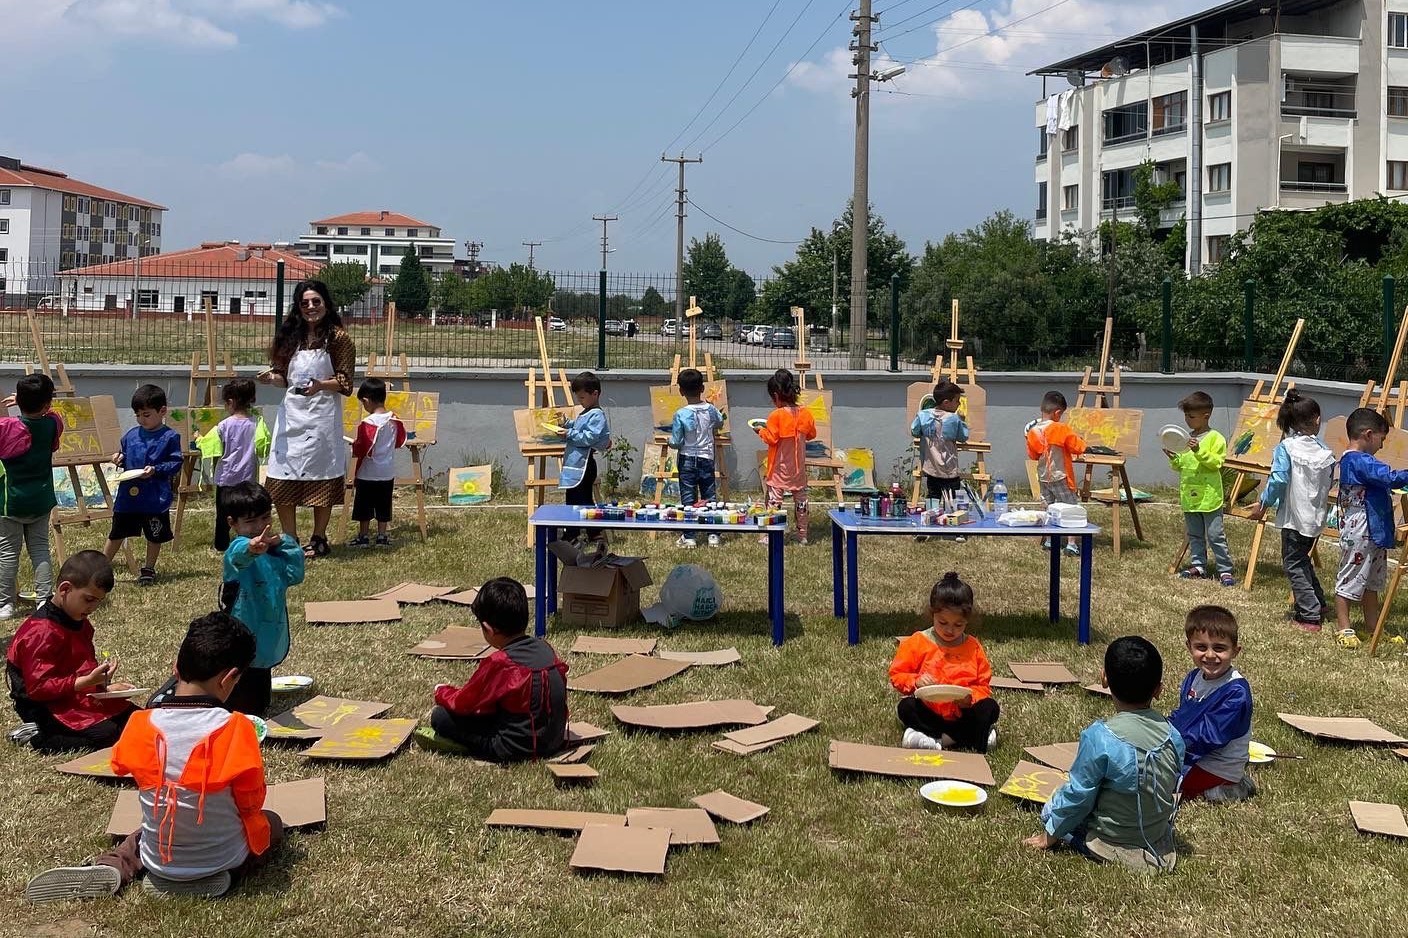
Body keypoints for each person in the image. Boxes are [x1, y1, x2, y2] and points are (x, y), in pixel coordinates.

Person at [25, 612, 284, 902]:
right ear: (229, 679)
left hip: (160, 859)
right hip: (220, 859)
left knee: (141, 834)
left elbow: (124, 766)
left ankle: (113, 865)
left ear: (175, 669)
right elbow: (250, 803)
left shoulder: (139, 724)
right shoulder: (238, 729)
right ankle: (223, 874)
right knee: (271, 822)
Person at [1023, 635, 1185, 873]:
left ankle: (1084, 841)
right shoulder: (1174, 736)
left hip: (1112, 840)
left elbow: (1079, 795)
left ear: (1104, 679)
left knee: (1052, 806)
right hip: (1158, 837)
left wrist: (1050, 834)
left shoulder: (1100, 737)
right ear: (1159, 690)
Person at [417, 577, 568, 762]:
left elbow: (465, 703)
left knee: (441, 717)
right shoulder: (545, 648)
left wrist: (441, 691)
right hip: (554, 740)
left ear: (489, 629)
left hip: (514, 748)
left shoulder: (501, 663)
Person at [258, 279, 355, 560]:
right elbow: (284, 378)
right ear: (298, 308)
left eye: (316, 302)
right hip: (292, 417)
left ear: (325, 303)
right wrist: (271, 378)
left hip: (322, 418)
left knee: (321, 475)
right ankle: (290, 538)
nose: (311, 307)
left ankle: (319, 537)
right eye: (305, 303)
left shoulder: (338, 339)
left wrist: (320, 386)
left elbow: (346, 383)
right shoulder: (290, 338)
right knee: (282, 473)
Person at [5, 551, 135, 753]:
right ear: (65, 589)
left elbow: (80, 667)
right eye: (89, 599)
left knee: (137, 719)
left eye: (98, 601)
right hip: (44, 706)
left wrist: (102, 683)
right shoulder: (41, 633)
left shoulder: (79, 622)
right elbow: (38, 688)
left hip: (73, 696)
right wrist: (85, 682)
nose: (93, 607)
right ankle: (37, 735)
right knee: (108, 735)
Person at [1247, 391, 1335, 631]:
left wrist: (1263, 503)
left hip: (1295, 519)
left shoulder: (1287, 447)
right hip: (1316, 518)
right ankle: (1319, 602)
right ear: (1316, 419)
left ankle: (1309, 614)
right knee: (1302, 559)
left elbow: (1278, 480)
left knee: (1294, 563)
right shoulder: (1324, 450)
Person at [218, 481, 305, 716]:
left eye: (265, 518)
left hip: (269, 627)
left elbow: (295, 575)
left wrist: (285, 544)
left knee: (261, 683)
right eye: (250, 522)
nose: (259, 527)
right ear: (232, 523)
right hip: (242, 627)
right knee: (241, 689)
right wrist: (250, 548)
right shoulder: (237, 548)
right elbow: (237, 557)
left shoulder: (275, 553)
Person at [889, 572, 999, 753]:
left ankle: (937, 740)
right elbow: (897, 675)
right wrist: (916, 681)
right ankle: (972, 736)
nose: (950, 630)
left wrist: (971, 698)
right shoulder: (917, 642)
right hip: (930, 710)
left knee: (990, 708)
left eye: (958, 625)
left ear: (967, 621)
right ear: (932, 614)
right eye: (943, 623)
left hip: (962, 712)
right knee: (906, 707)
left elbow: (983, 685)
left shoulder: (973, 646)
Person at [1168, 605, 1256, 803]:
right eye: (1201, 647)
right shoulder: (1194, 677)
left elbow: (1208, 736)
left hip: (1218, 765)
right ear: (1189, 647)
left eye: (1219, 648)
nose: (1209, 655)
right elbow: (1183, 715)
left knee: (1164, 784)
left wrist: (1167, 744)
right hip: (1193, 755)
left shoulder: (1236, 692)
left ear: (1235, 651)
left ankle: (1232, 789)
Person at [1334, 407, 1408, 640]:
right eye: (1381, 439)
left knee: (1371, 581)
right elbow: (1388, 477)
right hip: (1361, 528)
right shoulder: (1358, 460)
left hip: (1372, 530)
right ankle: (1344, 628)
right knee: (1351, 576)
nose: (1382, 446)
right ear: (1368, 434)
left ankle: (1373, 628)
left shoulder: (1359, 460)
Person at [103, 384, 182, 587]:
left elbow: (175, 463)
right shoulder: (131, 435)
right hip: (129, 496)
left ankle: (148, 568)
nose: (141, 419)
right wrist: (118, 458)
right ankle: (101, 566)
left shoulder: (170, 437)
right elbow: (125, 455)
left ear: (162, 411)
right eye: (138, 415)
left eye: (146, 415)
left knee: (154, 534)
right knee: (118, 530)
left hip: (154, 497)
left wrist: (156, 470)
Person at [0, 374, 64, 618]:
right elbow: (53, 414)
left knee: (7, 553)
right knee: (40, 550)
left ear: (20, 401)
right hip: (41, 499)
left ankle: (5, 604)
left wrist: (22, 402)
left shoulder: (8, 428)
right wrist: (30, 402)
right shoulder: (51, 425)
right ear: (47, 404)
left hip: (11, 501)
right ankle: (44, 600)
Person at [1165, 391, 1234, 587]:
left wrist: (1198, 450)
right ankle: (1199, 565)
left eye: (1192, 416)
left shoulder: (1216, 438)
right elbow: (1183, 465)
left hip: (1209, 496)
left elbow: (1216, 463)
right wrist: (1174, 458)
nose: (1188, 420)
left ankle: (1225, 569)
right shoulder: (1185, 439)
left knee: (1215, 535)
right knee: (1194, 534)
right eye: (1186, 416)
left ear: (1206, 415)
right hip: (1190, 495)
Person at [198, 378, 268, 553]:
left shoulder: (224, 425)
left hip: (226, 479)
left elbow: (210, 445)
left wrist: (197, 438)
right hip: (248, 479)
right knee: (247, 513)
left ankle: (221, 545)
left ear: (230, 402)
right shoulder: (256, 422)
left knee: (223, 516)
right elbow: (263, 445)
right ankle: (249, 541)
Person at [754, 368, 817, 544]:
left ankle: (771, 534)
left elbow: (772, 439)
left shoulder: (776, 416)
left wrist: (760, 431)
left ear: (775, 395)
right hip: (798, 468)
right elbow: (811, 434)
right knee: (801, 502)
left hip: (779, 467)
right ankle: (803, 535)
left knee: (774, 501)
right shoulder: (805, 413)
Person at [668, 367, 724, 549]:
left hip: (687, 458)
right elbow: (720, 422)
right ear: (702, 388)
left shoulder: (681, 414)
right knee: (709, 495)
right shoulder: (711, 409)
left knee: (688, 497)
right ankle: (713, 534)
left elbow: (676, 441)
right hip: (707, 457)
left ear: (681, 391)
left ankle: (689, 535)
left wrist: (669, 441)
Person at [1025, 390, 1086, 555]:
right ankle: (1071, 544)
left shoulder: (1033, 431)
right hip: (1061, 475)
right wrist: (1081, 440)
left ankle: (1051, 540)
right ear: (1057, 413)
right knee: (1070, 507)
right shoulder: (1060, 428)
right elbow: (1078, 447)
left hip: (1044, 477)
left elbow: (1033, 454)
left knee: (1049, 508)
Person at [349, 377, 406, 548]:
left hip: (368, 472)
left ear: (366, 400)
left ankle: (363, 536)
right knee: (383, 506)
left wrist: (354, 445)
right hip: (387, 472)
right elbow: (400, 441)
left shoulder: (368, 423)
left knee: (364, 507)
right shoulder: (394, 420)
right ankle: (382, 536)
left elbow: (362, 448)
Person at [558, 371, 610, 548]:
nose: (580, 401)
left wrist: (569, 434)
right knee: (573, 498)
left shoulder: (597, 415)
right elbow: (580, 426)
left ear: (594, 394)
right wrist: (567, 424)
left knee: (583, 500)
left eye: (582, 398)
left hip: (585, 465)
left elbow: (589, 437)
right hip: (576, 464)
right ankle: (575, 532)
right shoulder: (586, 412)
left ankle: (591, 532)